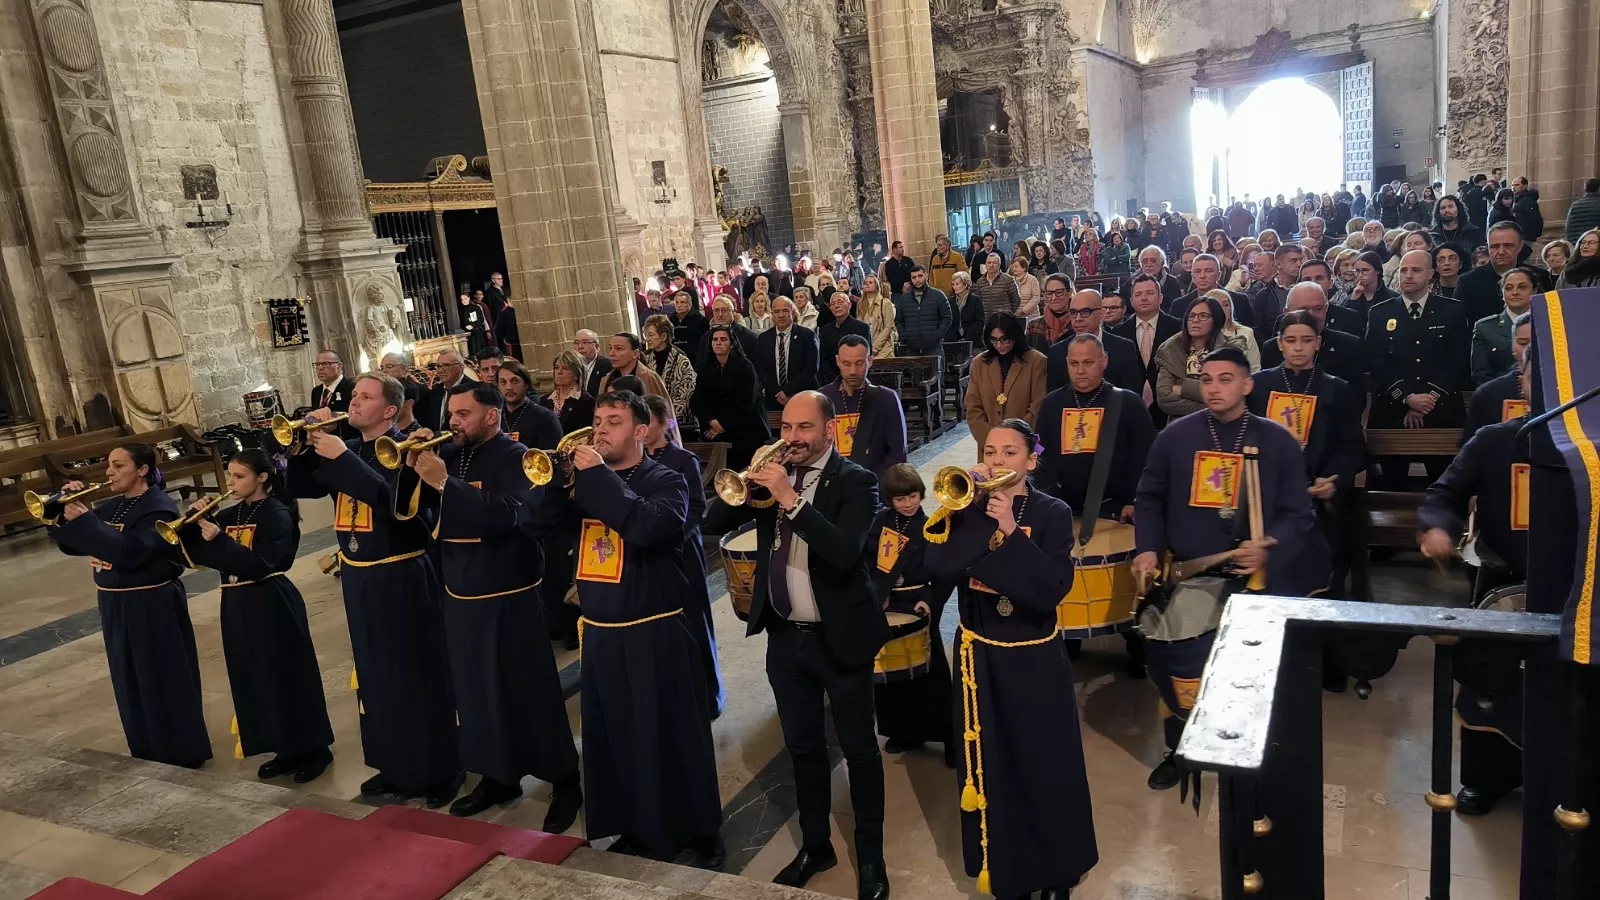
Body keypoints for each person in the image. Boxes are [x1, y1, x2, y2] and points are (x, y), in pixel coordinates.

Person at [703, 392, 891, 900]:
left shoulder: (857, 481)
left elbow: (846, 553)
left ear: (830, 430)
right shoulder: (772, 476)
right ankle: (816, 845)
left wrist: (790, 498)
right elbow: (712, 525)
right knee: (803, 748)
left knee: (858, 751)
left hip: (841, 639)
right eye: (786, 426)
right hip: (786, 641)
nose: (792, 437)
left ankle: (871, 858)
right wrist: (743, 482)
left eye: (804, 427)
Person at [924, 418, 1098, 899]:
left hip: (1032, 658)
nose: (998, 461)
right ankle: (1004, 865)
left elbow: (1049, 591)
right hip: (980, 657)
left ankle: (1058, 869)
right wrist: (971, 515)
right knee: (989, 766)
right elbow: (938, 565)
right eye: (991, 452)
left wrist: (1008, 530)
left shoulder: (1052, 513)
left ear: (1031, 460)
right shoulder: (967, 507)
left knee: (1044, 762)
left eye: (1010, 453)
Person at [1133, 346, 1318, 786]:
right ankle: (1179, 749)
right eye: (1208, 380)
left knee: (1252, 673)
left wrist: (1270, 549)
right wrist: (1147, 548)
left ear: (1247, 384)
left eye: (1226, 379)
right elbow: (1149, 497)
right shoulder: (1176, 436)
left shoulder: (1276, 440)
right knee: (1183, 666)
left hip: (1255, 577)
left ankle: (1247, 750)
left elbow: (1298, 514)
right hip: (1193, 573)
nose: (1214, 388)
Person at [400, 382, 584, 824]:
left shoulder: (515, 458)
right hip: (460, 595)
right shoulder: (451, 455)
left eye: (464, 414)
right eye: (452, 413)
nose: (454, 421)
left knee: (530, 691)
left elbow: (507, 515)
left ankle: (564, 779)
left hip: (509, 597)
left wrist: (445, 484)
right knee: (477, 693)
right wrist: (411, 469)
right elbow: (413, 512)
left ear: (491, 416)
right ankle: (497, 775)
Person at [556, 391, 725, 865]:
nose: (602, 429)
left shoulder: (665, 479)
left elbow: (653, 528)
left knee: (674, 736)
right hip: (603, 630)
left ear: (641, 431)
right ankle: (633, 824)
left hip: (656, 629)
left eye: (614, 421)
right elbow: (535, 523)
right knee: (619, 736)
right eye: (597, 420)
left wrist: (598, 479)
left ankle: (699, 830)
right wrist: (557, 483)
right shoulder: (584, 482)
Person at [287, 373, 461, 805]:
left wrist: (343, 458)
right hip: (359, 572)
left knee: (415, 672)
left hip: (400, 572)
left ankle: (440, 768)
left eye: (365, 397)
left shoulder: (409, 448)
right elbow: (300, 487)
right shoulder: (350, 447)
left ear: (389, 410)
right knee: (374, 672)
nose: (355, 402)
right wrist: (305, 443)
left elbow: (396, 506)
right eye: (354, 396)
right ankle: (394, 764)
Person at [174, 449, 333, 783]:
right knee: (254, 676)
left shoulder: (277, 514)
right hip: (236, 602)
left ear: (262, 478)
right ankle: (282, 746)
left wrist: (219, 540)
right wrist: (193, 524)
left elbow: (262, 564)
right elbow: (206, 556)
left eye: (239, 476)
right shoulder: (233, 514)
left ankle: (314, 747)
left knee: (287, 674)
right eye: (229, 476)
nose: (231, 483)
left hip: (270, 599)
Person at [47, 443, 210, 769]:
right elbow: (72, 546)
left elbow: (131, 554)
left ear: (142, 470)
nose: (109, 472)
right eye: (109, 465)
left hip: (151, 603)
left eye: (118, 466)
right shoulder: (112, 506)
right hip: (113, 602)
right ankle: (145, 745)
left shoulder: (159, 509)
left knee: (161, 676)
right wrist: (62, 512)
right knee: (129, 677)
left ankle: (179, 749)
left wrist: (88, 522)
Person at [1416, 355, 1530, 816]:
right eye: (1531, 371)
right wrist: (1437, 526)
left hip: (1578, 590)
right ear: (1522, 380)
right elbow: (1444, 494)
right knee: (1493, 686)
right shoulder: (1496, 440)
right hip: (1507, 581)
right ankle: (1489, 781)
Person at [1248, 311, 1366, 599]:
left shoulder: (1337, 389)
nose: (1298, 347)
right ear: (1279, 344)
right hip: (1265, 497)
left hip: (1317, 495)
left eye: (1305, 340)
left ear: (1318, 343)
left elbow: (1352, 447)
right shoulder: (1257, 386)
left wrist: (1333, 480)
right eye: (1290, 340)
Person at [641, 393, 724, 719]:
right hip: (649, 556)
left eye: (648, 421)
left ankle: (708, 695)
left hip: (681, 553)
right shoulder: (633, 461)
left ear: (665, 423)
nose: (643, 428)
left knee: (694, 623)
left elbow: (697, 509)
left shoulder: (681, 460)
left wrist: (668, 537)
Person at [865, 464, 954, 761]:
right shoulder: (877, 523)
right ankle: (902, 731)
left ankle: (948, 737)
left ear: (921, 493)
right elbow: (865, 563)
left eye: (913, 496)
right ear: (889, 500)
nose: (907, 504)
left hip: (918, 605)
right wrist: (878, 593)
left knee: (932, 674)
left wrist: (930, 600)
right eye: (900, 499)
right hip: (887, 605)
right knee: (890, 672)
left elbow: (944, 573)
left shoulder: (933, 527)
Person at [1367, 250, 1471, 489]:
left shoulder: (1452, 310)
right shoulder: (1380, 312)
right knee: (1391, 487)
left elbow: (1458, 360)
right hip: (1393, 413)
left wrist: (1429, 399)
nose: (1408, 275)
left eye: (1416, 270)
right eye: (1404, 270)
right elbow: (1376, 361)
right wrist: (1408, 399)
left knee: (1446, 487)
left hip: (1442, 412)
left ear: (1430, 274)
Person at [1037, 333, 1155, 524]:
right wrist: (1044, 489)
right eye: (1074, 364)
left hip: (1116, 509)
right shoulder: (1052, 403)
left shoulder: (1129, 403)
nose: (1080, 370)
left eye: (1088, 363)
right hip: (1063, 508)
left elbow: (1145, 457)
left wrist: (1135, 500)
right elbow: (1041, 450)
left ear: (1104, 361)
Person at [819, 334, 908, 481]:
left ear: (870, 361)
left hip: (875, 486)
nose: (853, 371)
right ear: (837, 361)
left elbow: (897, 454)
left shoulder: (885, 398)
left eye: (859, 363)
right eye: (847, 363)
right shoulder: (822, 399)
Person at [1258, 282, 1369, 390]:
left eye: (1318, 309)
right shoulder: (1272, 349)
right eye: (1303, 309)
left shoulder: (1350, 346)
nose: (1311, 315)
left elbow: (1356, 399)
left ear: (1326, 310)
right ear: (1287, 313)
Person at [692, 323, 771, 470]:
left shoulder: (744, 366)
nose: (718, 343)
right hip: (715, 428)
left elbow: (745, 402)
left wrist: (722, 425)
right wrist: (711, 421)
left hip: (747, 427)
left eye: (723, 339)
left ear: (732, 343)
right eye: (715, 340)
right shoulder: (706, 367)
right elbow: (698, 400)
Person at [966, 312, 1048, 453]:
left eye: (1005, 339)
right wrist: (993, 441)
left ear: (1015, 336)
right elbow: (973, 408)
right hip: (990, 448)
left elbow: (1038, 407)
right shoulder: (979, 363)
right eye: (994, 340)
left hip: (1023, 447)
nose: (999, 345)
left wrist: (1013, 440)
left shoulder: (1036, 361)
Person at [1044, 285, 1144, 395]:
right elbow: (1054, 400)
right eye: (1073, 312)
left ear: (1101, 315)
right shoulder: (1057, 352)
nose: (1078, 319)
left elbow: (1133, 395)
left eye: (1085, 312)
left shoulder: (1124, 348)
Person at [1113, 273, 1183, 427]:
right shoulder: (1118, 333)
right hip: (1130, 410)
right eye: (1138, 294)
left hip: (1170, 410)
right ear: (1131, 301)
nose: (1143, 298)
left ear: (1160, 298)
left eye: (1150, 293)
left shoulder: (1178, 329)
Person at [1155, 294, 1236, 419]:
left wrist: (1184, 388)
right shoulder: (1170, 350)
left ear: (1216, 320)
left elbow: (1229, 395)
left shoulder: (1231, 351)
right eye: (1191, 316)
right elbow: (1165, 400)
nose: (1195, 320)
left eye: (1203, 316)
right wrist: (1211, 407)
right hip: (1180, 427)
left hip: (1222, 425)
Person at [1463, 313, 1533, 443]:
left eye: (1538, 340)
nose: (1529, 349)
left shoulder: (1570, 389)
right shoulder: (1488, 394)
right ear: (1512, 346)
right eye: (1523, 343)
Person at [1471, 267, 1537, 385]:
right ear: (1502, 294)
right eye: (1508, 288)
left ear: (1534, 290)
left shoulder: (1549, 324)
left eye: (1522, 287)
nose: (1515, 292)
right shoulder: (1485, 328)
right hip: (1499, 396)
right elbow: (1481, 375)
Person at [1455, 223, 1529, 326]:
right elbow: (1458, 323)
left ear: (1520, 245)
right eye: (1495, 246)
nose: (1501, 251)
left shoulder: (1538, 277)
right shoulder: (1467, 281)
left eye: (1508, 245)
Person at [754, 297, 819, 409]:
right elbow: (760, 369)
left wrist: (787, 392)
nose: (781, 315)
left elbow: (811, 368)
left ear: (792, 312)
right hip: (774, 398)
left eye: (785, 310)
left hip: (802, 396)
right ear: (772, 314)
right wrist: (778, 392)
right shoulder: (764, 338)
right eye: (777, 311)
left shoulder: (807, 336)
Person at [641, 314, 699, 436]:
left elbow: (685, 397)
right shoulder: (646, 359)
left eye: (651, 335)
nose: (647, 339)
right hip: (653, 424)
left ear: (663, 336)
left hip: (680, 425)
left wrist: (667, 424)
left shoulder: (681, 360)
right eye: (646, 335)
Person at [1174, 253, 1255, 329]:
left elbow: (1250, 332)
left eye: (1208, 271)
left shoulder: (1239, 300)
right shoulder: (1179, 305)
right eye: (1198, 271)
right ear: (1193, 277)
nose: (1202, 276)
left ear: (1219, 275)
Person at [817, 289, 872, 385]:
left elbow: (866, 355)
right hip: (833, 381)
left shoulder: (862, 327)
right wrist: (835, 380)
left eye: (840, 302)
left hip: (857, 378)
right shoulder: (826, 330)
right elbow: (823, 359)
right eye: (833, 304)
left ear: (849, 305)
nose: (836, 306)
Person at [1331, 250, 1395, 331]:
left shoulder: (1392, 298)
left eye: (1365, 270)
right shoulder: (1351, 295)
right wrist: (1352, 301)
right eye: (1357, 271)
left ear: (1377, 270)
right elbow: (1341, 323)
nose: (1360, 275)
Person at [538, 353, 594, 437]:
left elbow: (584, 435)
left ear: (576, 374)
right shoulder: (544, 400)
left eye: (565, 368)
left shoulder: (585, 400)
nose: (559, 372)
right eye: (556, 368)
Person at [598, 333, 669, 399]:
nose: (611, 353)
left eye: (619, 348)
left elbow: (662, 409)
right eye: (610, 348)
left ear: (635, 354)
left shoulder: (649, 378)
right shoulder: (606, 379)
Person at [310, 350, 360, 440]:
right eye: (317, 364)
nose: (320, 368)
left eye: (326, 363)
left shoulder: (352, 388)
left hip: (347, 443)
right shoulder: (316, 392)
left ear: (339, 366)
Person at [1208, 289, 1260, 371]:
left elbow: (1255, 368)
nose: (1222, 309)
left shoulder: (1246, 333)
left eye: (1226, 305)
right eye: (1217, 305)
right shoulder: (1200, 333)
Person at [421, 349, 469, 433]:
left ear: (461, 367)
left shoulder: (473, 389)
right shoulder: (435, 392)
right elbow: (431, 424)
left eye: (446, 365)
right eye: (438, 366)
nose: (441, 370)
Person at [856, 274, 898, 358]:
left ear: (877, 285)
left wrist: (875, 347)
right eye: (865, 283)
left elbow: (889, 326)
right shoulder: (860, 304)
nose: (867, 284)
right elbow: (859, 326)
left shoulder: (885, 303)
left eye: (870, 282)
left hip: (883, 350)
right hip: (866, 348)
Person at [974, 252, 1022, 319]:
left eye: (994, 263)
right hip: (987, 320)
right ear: (985, 265)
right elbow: (979, 301)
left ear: (999, 264)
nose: (991, 265)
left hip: (1004, 320)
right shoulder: (980, 282)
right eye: (989, 262)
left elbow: (1016, 300)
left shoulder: (1008, 279)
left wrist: (1008, 313)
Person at [946, 270, 985, 346]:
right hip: (954, 342)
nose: (954, 287)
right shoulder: (950, 301)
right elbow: (948, 322)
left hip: (973, 342)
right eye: (953, 284)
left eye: (957, 284)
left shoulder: (975, 300)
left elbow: (979, 322)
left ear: (965, 285)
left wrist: (966, 339)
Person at [574, 329, 612, 397]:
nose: (580, 347)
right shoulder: (572, 367)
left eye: (585, 342)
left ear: (596, 347)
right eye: (576, 343)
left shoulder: (608, 366)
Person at [458, 291, 496, 357]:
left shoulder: (476, 308)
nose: (463, 301)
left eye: (465, 298)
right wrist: (465, 327)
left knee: (481, 351)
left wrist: (473, 326)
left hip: (478, 332)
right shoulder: (460, 310)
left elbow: (481, 320)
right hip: (468, 334)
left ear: (469, 298)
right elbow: (461, 322)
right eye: (462, 299)